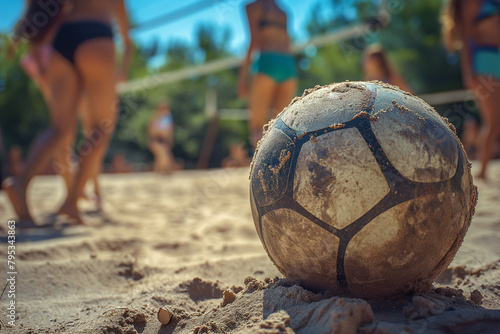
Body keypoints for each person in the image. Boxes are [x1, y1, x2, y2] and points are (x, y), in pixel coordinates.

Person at [2, 0, 131, 224]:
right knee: (101, 127)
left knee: (60, 128)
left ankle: (20, 182)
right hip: (96, 35)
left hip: (64, 37)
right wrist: (124, 69)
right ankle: (72, 201)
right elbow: (126, 36)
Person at [441, 0, 500, 180]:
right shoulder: (469, 3)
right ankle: (482, 172)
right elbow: (465, 38)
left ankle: (482, 171)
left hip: (496, 56)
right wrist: (469, 75)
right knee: (493, 121)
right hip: (486, 62)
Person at [238, 0, 298, 148]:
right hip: (288, 65)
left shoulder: (252, 7)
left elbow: (253, 41)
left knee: (257, 127)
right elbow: (288, 42)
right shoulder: (283, 12)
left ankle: (262, 168)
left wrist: (243, 77)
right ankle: (284, 167)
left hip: (267, 61)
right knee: (284, 124)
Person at [148, 101, 179, 173]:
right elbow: (152, 130)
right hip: (156, 139)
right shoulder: (156, 116)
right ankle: (162, 171)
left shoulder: (167, 117)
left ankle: (162, 172)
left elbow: (169, 130)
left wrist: (169, 140)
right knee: (162, 157)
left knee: (164, 157)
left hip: (163, 140)